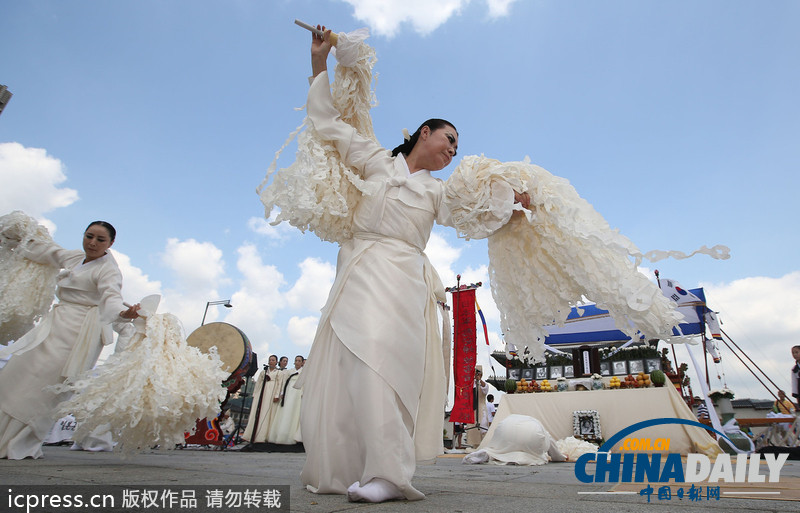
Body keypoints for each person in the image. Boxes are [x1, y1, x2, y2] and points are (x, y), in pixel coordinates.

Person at [298, 26, 529, 503]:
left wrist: (515, 202)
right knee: (356, 360)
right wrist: (321, 63)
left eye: (457, 148)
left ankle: (389, 474)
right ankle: (352, 467)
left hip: (405, 278)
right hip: (361, 265)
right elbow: (326, 121)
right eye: (448, 139)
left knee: (388, 364)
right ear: (424, 132)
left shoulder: (437, 192)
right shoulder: (375, 159)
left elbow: (477, 215)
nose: (452, 150)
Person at [0, 220, 139, 459]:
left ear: (111, 243)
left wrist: (124, 314)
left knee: (45, 387)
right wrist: (19, 238)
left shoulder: (109, 270)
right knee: (18, 372)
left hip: (79, 334)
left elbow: (112, 297)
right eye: (89, 236)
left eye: (100, 239)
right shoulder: (74, 257)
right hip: (56, 323)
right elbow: (47, 252)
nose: (92, 243)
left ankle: (22, 443)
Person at [242, 354, 282, 444]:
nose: (271, 361)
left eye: (273, 360)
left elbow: (280, 384)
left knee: (267, 413)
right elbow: (258, 384)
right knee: (258, 412)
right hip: (262, 392)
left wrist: (277, 395)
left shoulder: (279, 372)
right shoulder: (263, 372)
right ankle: (251, 434)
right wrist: (255, 394)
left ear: (276, 362)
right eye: (270, 360)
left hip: (272, 391)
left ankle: (265, 435)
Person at [268, 355, 304, 445]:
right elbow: (284, 382)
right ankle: (281, 434)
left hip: (298, 392)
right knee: (285, 412)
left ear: (302, 362)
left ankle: (292, 436)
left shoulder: (304, 372)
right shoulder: (289, 371)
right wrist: (282, 393)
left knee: (295, 413)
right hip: (288, 391)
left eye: (299, 360)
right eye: (296, 360)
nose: (297, 362)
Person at [467, 367, 489, 448]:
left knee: (483, 427)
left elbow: (485, 389)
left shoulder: (483, 384)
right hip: (472, 409)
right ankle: (475, 446)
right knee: (473, 429)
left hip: (481, 408)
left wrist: (479, 380)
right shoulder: (470, 384)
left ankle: (484, 445)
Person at [792, 345, 800, 410]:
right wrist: (796, 395)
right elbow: (794, 383)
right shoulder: (794, 369)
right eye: (793, 353)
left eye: (796, 352)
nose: (794, 354)